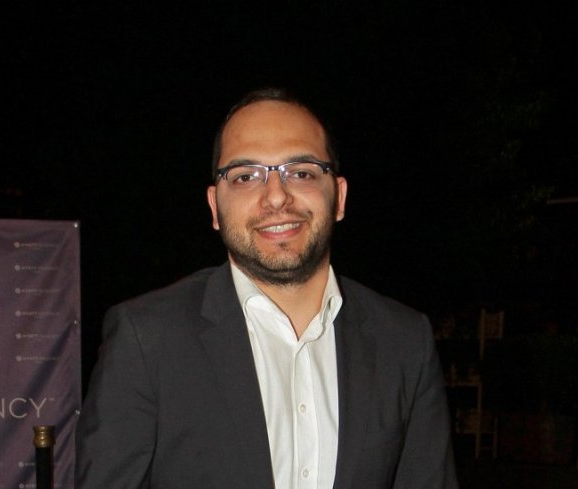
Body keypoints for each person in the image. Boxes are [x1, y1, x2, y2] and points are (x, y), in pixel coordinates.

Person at [75, 88, 458, 489]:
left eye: (301, 172)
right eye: (245, 177)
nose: (276, 196)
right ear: (214, 207)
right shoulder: (147, 339)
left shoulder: (404, 342)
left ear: (340, 197)